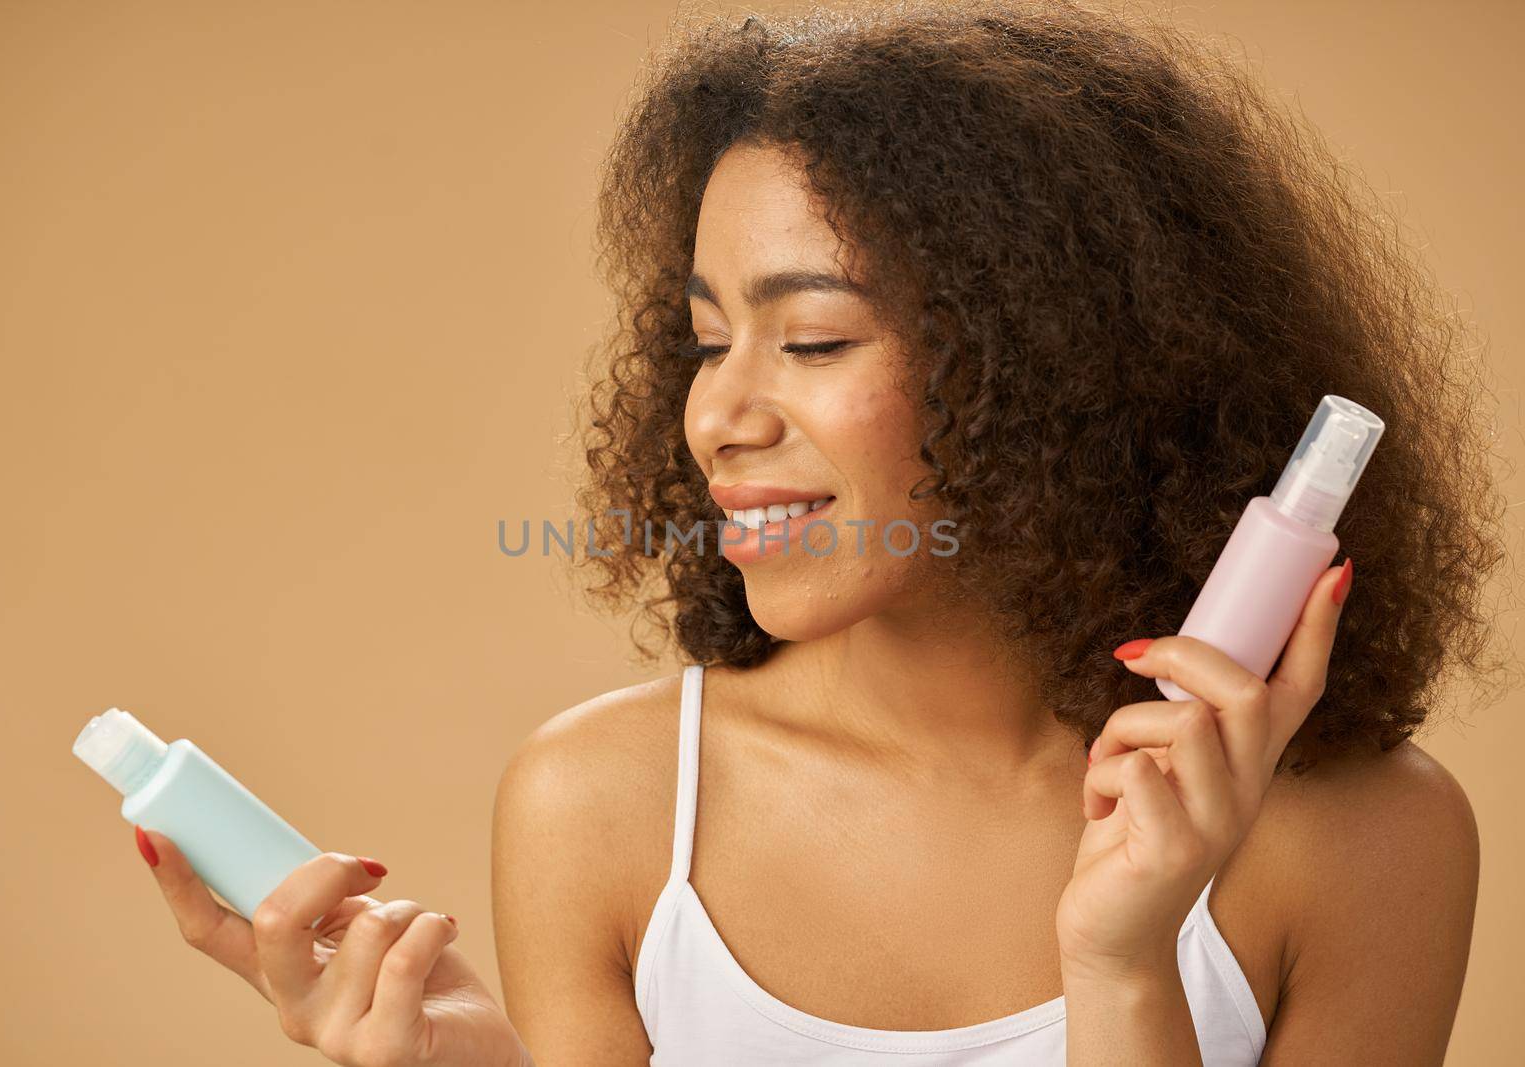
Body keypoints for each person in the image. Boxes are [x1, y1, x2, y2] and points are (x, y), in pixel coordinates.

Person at [137, 2, 1509, 1063]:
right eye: (705, 340)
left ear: (1053, 364)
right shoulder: (605, 811)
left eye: (810, 337)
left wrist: (1127, 965)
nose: (719, 414)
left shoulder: (1364, 843)